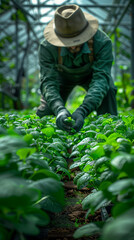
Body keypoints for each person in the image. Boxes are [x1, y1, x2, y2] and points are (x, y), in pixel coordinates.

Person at [36, 4, 117, 133]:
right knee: (46, 111)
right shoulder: (47, 47)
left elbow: (101, 79)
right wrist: (59, 109)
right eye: (67, 42)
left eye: (77, 41)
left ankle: (109, 135)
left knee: (108, 91)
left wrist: (83, 110)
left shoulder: (102, 42)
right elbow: (48, 82)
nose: (73, 47)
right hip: (61, 78)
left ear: (87, 34)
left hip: (91, 76)